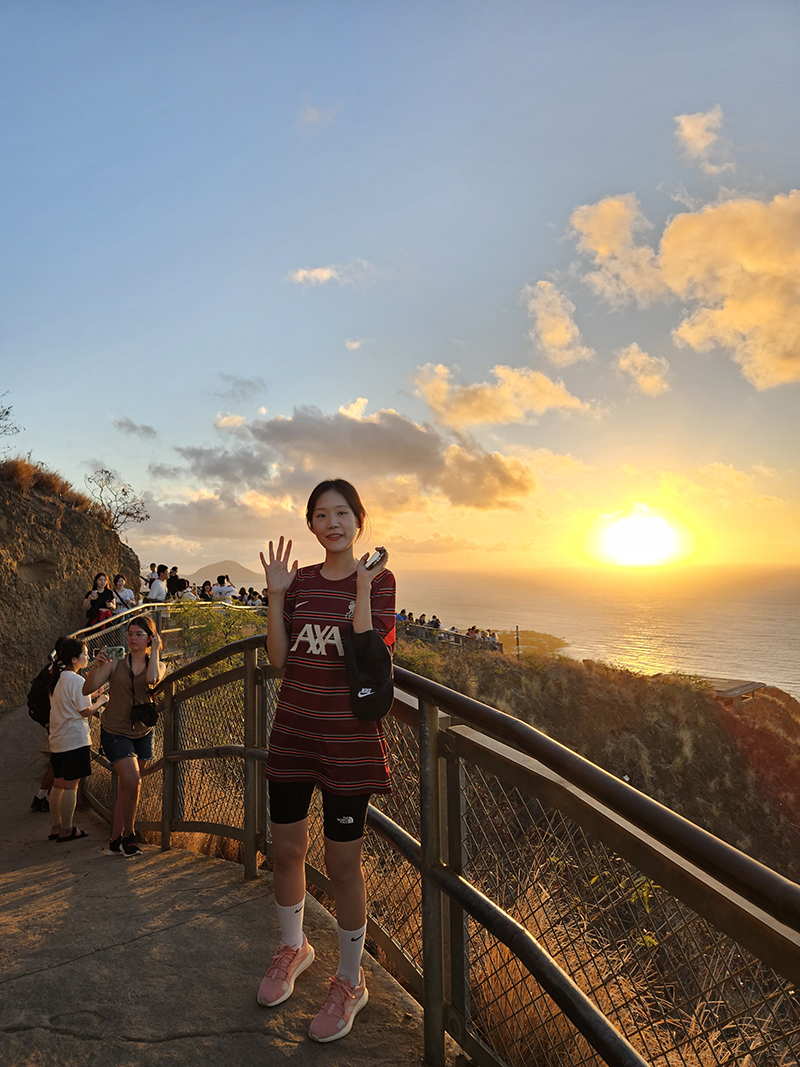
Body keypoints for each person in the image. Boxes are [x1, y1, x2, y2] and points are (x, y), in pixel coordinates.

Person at [257, 478, 395, 1044]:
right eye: (320, 514)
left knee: (342, 865)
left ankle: (349, 980)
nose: (331, 523)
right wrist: (276, 595)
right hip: (294, 731)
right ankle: (294, 947)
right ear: (310, 524)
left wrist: (360, 587)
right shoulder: (301, 584)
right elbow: (279, 658)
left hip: (348, 741)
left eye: (341, 513)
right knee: (287, 849)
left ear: (359, 519)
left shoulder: (380, 582)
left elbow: (372, 652)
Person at [82, 615, 166, 857]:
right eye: (130, 633)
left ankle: (115, 839)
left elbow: (152, 679)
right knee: (132, 780)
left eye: (139, 634)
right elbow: (87, 688)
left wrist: (155, 650)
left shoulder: (158, 664)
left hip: (142, 732)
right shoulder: (116, 662)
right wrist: (96, 666)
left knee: (130, 787)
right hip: (115, 730)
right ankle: (129, 837)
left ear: (151, 637)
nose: (132, 638)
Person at [47, 638, 108, 842]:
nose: (87, 657)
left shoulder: (56, 678)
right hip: (74, 739)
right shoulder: (77, 680)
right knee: (71, 786)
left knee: (58, 784)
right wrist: (101, 701)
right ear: (74, 659)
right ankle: (67, 829)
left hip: (57, 739)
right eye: (85, 654)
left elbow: (71, 702)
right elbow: (84, 711)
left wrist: (93, 695)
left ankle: (56, 826)